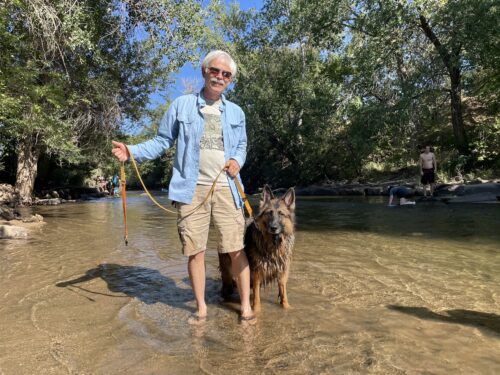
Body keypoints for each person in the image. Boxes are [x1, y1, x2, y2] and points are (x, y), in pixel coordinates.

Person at [111, 50, 254, 323]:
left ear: (230, 80)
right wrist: (132, 152)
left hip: (227, 187)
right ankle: (201, 309)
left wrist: (237, 159)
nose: (220, 77)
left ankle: (246, 307)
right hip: (190, 190)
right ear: (204, 71)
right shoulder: (181, 106)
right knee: (195, 251)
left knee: (236, 248)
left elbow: (242, 145)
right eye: (215, 71)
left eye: (226, 74)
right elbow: (161, 141)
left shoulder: (237, 112)